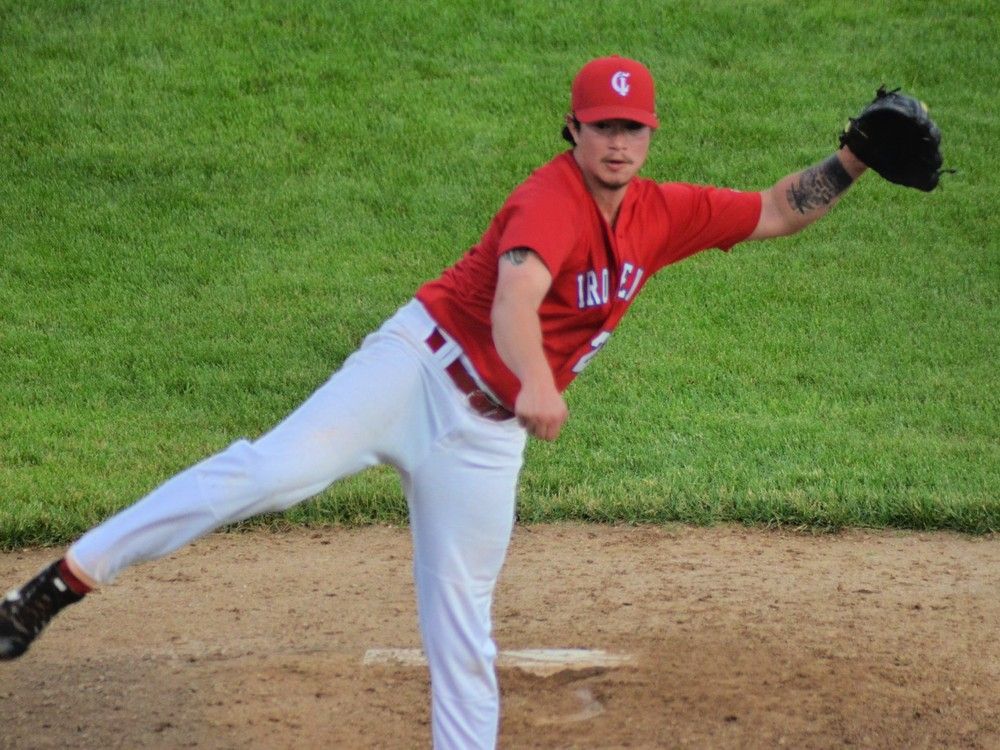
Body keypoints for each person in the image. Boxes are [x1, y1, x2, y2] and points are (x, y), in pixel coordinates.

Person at [1, 55, 869, 749]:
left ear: (649, 134)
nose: (616, 141)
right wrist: (535, 379)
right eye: (602, 126)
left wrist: (852, 158)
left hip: (485, 443)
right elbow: (513, 300)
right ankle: (59, 584)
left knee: (464, 631)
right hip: (414, 373)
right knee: (266, 474)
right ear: (573, 128)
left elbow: (775, 210)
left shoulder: (661, 212)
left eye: (631, 127)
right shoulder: (549, 198)